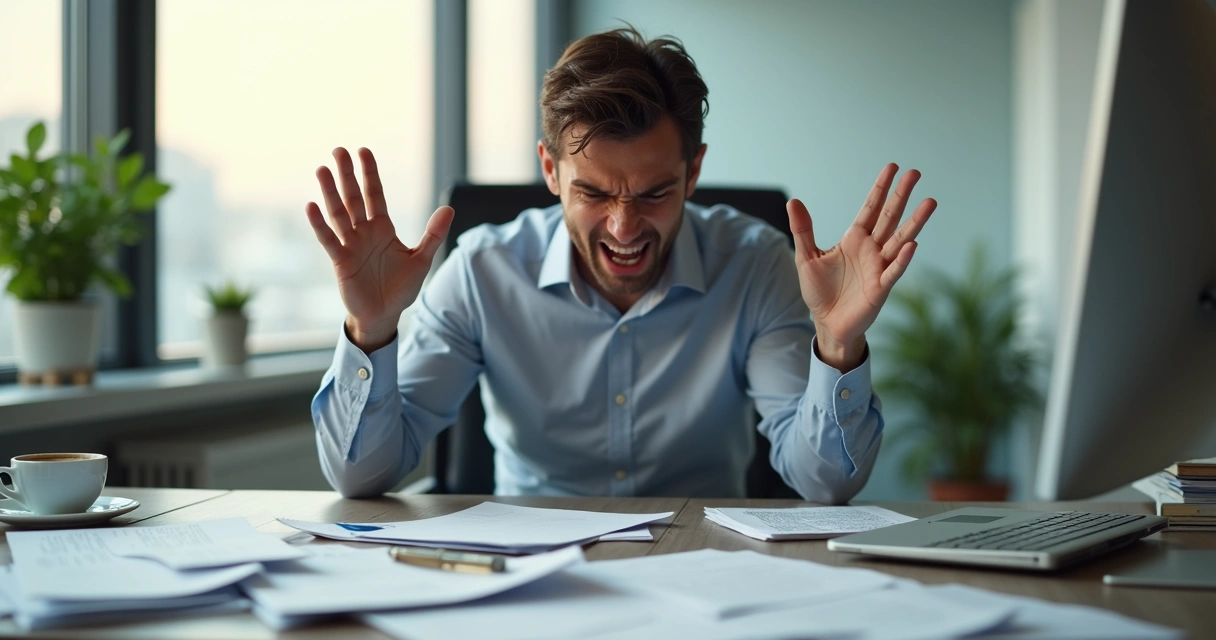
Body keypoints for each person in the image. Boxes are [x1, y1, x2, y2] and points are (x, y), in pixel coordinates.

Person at [305, 28, 935, 502]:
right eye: (596, 193)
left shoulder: (758, 266)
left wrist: (838, 343)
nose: (624, 226)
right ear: (550, 171)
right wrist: (372, 331)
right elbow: (364, 477)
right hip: (530, 576)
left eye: (655, 193)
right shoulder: (480, 272)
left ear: (693, 172)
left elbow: (825, 485)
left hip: (707, 571)